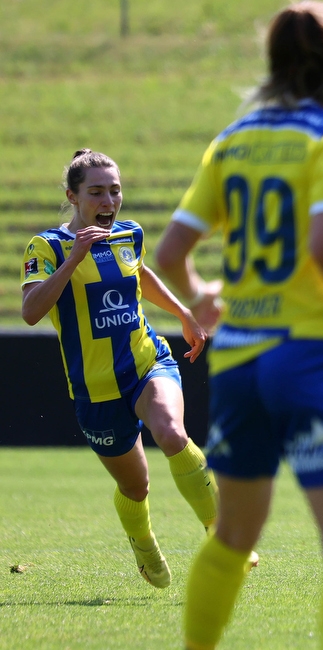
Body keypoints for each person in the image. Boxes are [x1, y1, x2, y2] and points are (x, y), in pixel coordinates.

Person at [153, 3, 323, 649]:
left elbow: (169, 256)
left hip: (239, 363)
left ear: (271, 61)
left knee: (234, 538)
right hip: (312, 357)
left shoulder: (232, 140)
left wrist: (204, 295)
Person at [20, 149, 220, 590]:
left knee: (171, 432)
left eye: (114, 190)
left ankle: (222, 536)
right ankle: (144, 544)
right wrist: (74, 258)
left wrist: (184, 312)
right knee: (136, 486)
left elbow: (140, 272)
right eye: (96, 192)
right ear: (73, 197)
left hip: (146, 362)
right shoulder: (47, 246)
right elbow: (31, 311)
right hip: (95, 389)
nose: (108, 200)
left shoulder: (129, 233)